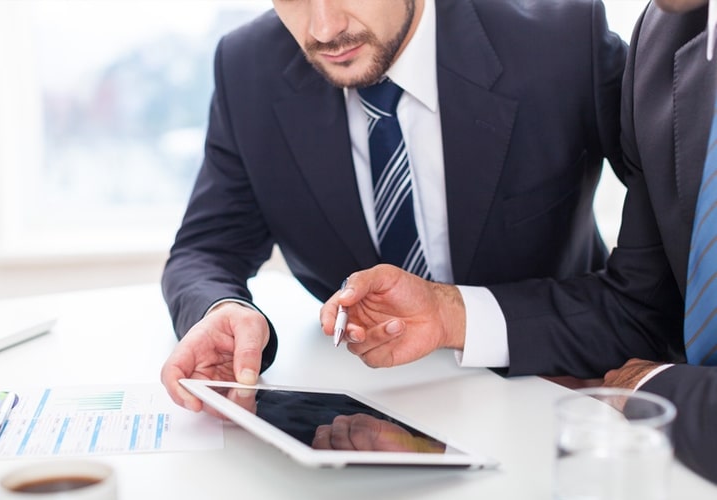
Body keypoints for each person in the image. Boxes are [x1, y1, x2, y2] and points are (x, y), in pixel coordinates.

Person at [160, 0, 627, 412]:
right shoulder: (248, 67)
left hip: (556, 388)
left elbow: (673, 259)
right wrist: (221, 308)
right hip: (370, 409)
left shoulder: (563, 41)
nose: (324, 28)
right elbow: (205, 249)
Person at [320, 0, 717, 482]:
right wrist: (448, 314)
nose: (324, 25)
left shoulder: (572, 38)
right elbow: (642, 305)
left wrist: (659, 386)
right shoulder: (667, 37)